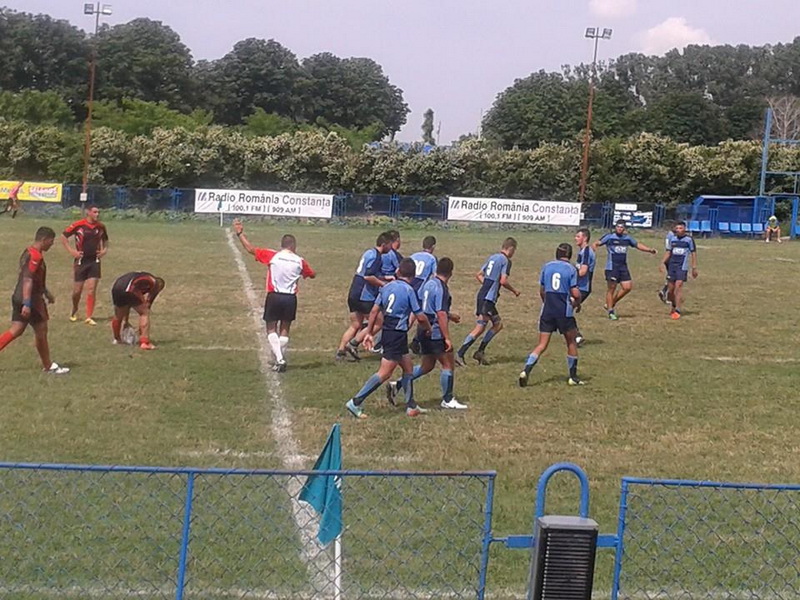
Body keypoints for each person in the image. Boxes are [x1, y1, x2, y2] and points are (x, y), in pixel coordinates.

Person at [345, 258, 433, 419]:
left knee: (408, 368)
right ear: (413, 276)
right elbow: (420, 316)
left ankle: (411, 406)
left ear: (398, 272)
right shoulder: (408, 290)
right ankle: (356, 401)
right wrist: (428, 328)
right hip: (397, 334)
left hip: (388, 331)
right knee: (384, 373)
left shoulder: (387, 287)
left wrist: (370, 333)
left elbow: (374, 311)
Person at [385, 257, 467, 410]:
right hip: (435, 332)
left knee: (427, 366)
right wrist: (447, 338)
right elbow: (440, 313)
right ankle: (448, 399)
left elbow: (424, 308)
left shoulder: (428, 284)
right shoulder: (442, 288)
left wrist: (450, 315)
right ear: (451, 273)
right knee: (448, 364)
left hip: (423, 330)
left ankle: (397, 385)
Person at [233, 220, 316, 371]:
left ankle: (279, 358)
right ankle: (280, 358)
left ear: (282, 245)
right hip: (290, 298)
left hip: (274, 296)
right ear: (293, 246)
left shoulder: (273, 256)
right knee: (285, 328)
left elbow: (250, 249)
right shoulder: (300, 261)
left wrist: (240, 234)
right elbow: (312, 274)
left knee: (271, 328)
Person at [0, 227, 69, 374]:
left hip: (18, 295)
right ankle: (48, 365)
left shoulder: (27, 251)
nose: (51, 244)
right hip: (30, 299)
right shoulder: (36, 257)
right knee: (41, 330)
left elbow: (32, 277)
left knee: (16, 330)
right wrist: (27, 303)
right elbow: (28, 279)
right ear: (44, 240)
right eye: (51, 241)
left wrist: (46, 292)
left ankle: (48, 365)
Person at [518, 243, 582, 388]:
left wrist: (546, 302)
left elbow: (542, 290)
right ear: (570, 255)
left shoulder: (546, 266)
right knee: (571, 342)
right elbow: (575, 292)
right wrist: (578, 302)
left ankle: (526, 370)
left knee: (541, 344)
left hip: (547, 310)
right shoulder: (571, 269)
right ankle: (573, 377)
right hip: (563, 312)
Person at [455, 237, 520, 366]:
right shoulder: (506, 261)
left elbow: (479, 274)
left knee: (498, 324)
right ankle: (460, 353)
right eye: (514, 250)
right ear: (511, 249)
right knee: (480, 328)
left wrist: (488, 285)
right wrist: (514, 291)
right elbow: (503, 280)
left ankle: (480, 351)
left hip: (483, 295)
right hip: (488, 299)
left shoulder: (493, 257)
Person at [336, 232, 393, 361]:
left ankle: (340, 351)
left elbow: (366, 272)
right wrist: (383, 284)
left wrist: (384, 277)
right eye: (390, 245)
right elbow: (368, 276)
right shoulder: (377, 257)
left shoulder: (369, 252)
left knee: (355, 324)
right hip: (364, 295)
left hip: (354, 291)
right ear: (384, 244)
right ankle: (353, 344)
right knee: (379, 322)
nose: (390, 249)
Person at [592, 219, 657, 320]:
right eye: (618, 227)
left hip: (623, 266)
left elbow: (637, 245)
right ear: (615, 227)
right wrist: (594, 248)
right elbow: (597, 243)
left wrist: (649, 250)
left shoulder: (627, 238)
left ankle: (611, 303)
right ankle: (610, 311)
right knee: (611, 289)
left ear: (624, 229)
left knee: (627, 287)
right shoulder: (609, 237)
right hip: (612, 267)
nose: (619, 229)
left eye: (621, 227)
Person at [61, 205, 109, 326]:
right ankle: (74, 309)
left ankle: (89, 316)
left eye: (98, 212)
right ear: (88, 212)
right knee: (77, 291)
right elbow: (63, 236)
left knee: (92, 289)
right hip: (81, 261)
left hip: (94, 261)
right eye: (95, 212)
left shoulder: (101, 226)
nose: (97, 214)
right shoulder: (79, 225)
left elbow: (105, 240)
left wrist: (104, 250)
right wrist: (71, 251)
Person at [110, 272, 165, 350]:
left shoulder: (144, 280)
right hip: (130, 287)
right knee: (144, 313)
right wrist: (142, 328)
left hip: (117, 287)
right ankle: (144, 342)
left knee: (118, 315)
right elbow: (147, 304)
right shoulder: (154, 283)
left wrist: (126, 321)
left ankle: (117, 339)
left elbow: (128, 303)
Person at [660, 220, 698, 320]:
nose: (678, 230)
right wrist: (662, 262)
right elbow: (668, 252)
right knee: (671, 290)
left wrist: (694, 268)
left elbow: (693, 253)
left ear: (685, 229)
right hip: (672, 266)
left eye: (680, 228)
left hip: (682, 267)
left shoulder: (689, 240)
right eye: (677, 228)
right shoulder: (672, 239)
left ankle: (678, 309)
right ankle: (673, 304)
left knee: (679, 286)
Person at [574, 228, 595, 346]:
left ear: (585, 238)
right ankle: (575, 336)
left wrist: (569, 273)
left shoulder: (587, 252)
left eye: (578, 236)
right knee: (565, 310)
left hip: (583, 287)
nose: (575, 238)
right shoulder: (582, 251)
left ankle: (577, 337)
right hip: (578, 287)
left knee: (565, 310)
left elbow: (583, 271)